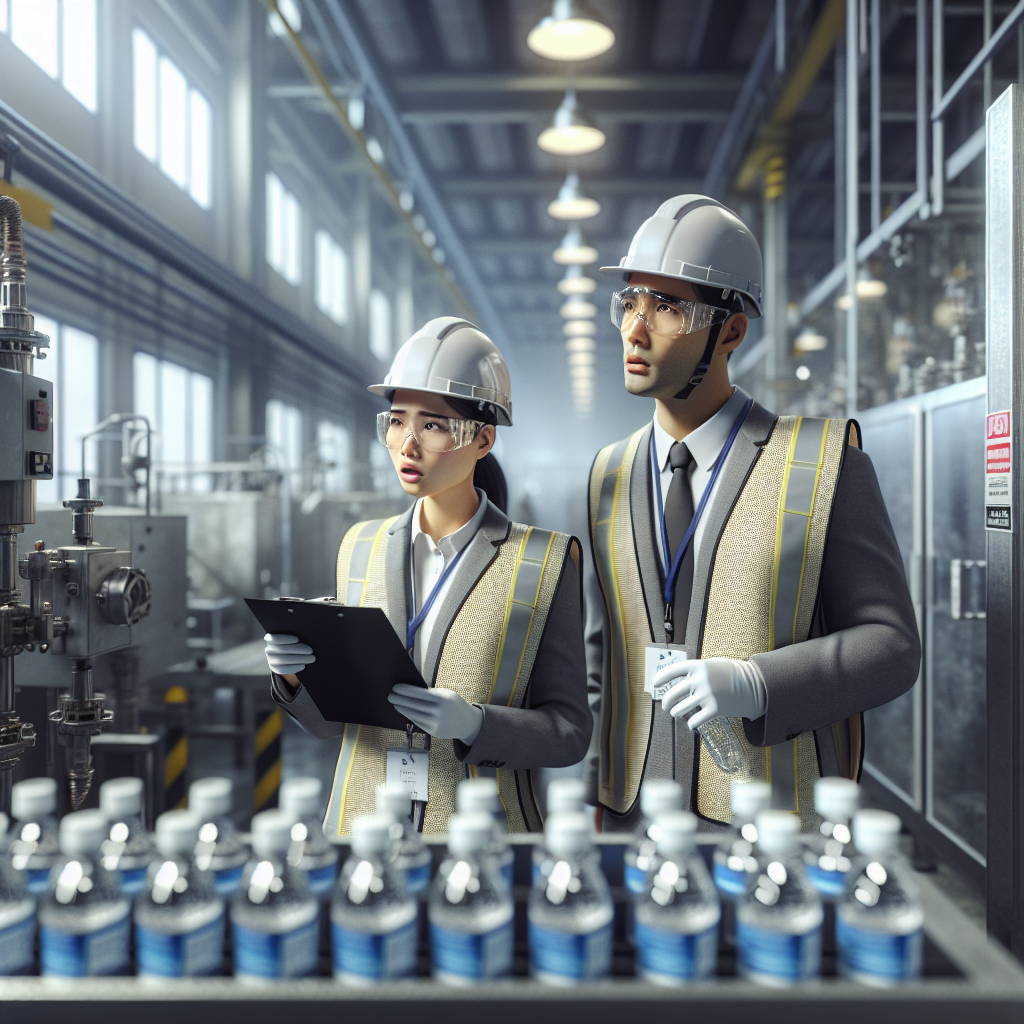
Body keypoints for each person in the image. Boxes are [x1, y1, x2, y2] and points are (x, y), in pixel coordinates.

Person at [585, 195, 920, 832]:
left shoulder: (824, 466)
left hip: (771, 820)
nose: (635, 328)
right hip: (635, 814)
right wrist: (595, 794)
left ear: (730, 331)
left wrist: (757, 682)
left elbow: (894, 648)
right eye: (628, 302)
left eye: (667, 307)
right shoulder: (609, 474)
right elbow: (607, 659)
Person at [266, 317, 590, 834]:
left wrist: (478, 725)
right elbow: (332, 725)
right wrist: (293, 678)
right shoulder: (358, 548)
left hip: (482, 841)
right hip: (359, 832)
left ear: (483, 440)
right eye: (396, 421)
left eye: (433, 424)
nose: (406, 444)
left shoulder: (545, 562)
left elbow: (569, 733)